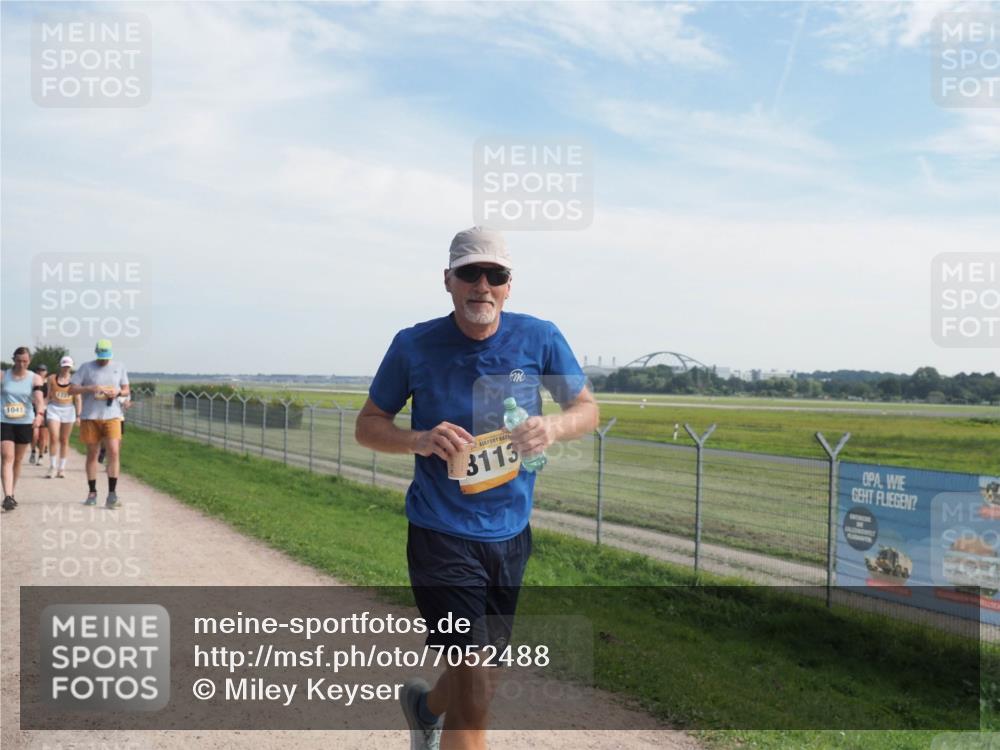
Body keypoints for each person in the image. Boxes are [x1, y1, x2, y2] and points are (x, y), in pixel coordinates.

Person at [355, 227, 598, 750]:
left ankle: (424, 708)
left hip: (510, 534)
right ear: (448, 280)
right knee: (474, 685)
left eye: (495, 275)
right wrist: (419, 439)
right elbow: (368, 424)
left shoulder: (540, 337)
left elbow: (587, 410)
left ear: (509, 286)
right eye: (470, 272)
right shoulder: (413, 345)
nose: (482, 285)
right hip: (441, 533)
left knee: (482, 678)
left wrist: (552, 427)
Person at [69, 339, 129, 508]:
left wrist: (117, 392)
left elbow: (126, 390)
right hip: (91, 416)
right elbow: (71, 389)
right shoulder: (86, 367)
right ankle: (92, 492)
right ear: (96, 352)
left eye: (106, 357)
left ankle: (112, 494)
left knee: (114, 452)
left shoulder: (119, 367)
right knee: (92, 454)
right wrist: (89, 388)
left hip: (113, 415)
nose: (104, 360)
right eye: (101, 357)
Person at [2, 347, 46, 511]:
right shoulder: (3, 375)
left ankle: (11, 493)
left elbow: (38, 398)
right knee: (7, 457)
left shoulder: (35, 378)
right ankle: (7, 496)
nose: (21, 364)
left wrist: (39, 414)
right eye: (19, 360)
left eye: (25, 361)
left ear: (30, 361)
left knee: (18, 460)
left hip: (25, 422)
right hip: (4, 420)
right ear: (13, 359)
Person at [45, 356, 83, 479]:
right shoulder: (52, 378)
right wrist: (42, 409)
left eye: (68, 366)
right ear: (60, 366)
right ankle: (52, 466)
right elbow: (48, 395)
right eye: (64, 366)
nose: (66, 368)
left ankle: (62, 468)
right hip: (54, 409)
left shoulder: (75, 381)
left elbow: (77, 398)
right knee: (54, 437)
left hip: (68, 410)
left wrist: (78, 415)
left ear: (71, 367)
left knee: (64, 440)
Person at [29, 363, 49, 465]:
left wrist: (43, 402)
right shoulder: (32, 382)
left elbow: (49, 396)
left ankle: (40, 455)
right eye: (39, 370)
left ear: (46, 372)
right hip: (33, 409)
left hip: (44, 409)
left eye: (43, 370)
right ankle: (33, 451)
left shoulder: (48, 384)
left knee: (43, 436)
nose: (41, 372)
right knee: (34, 434)